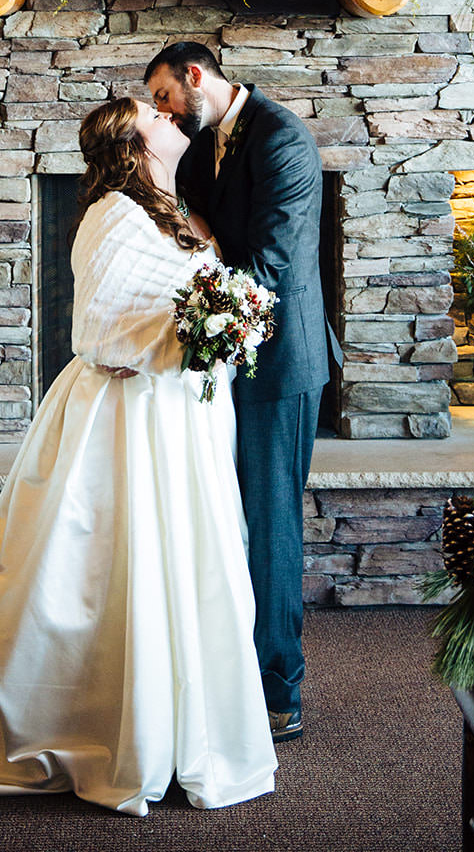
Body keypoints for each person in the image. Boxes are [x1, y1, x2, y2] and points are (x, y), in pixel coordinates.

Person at [0, 95, 277, 816]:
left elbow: (176, 308)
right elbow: (99, 333)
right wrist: (197, 335)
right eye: (153, 113)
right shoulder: (113, 212)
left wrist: (224, 329)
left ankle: (184, 725)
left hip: (181, 419)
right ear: (128, 141)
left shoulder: (174, 210)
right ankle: (104, 725)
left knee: (189, 562)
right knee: (117, 564)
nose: (171, 115)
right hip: (126, 422)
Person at [146, 42, 333, 743]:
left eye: (164, 95)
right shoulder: (201, 147)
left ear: (195, 77)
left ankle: (279, 692)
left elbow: (269, 266)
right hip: (224, 357)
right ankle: (225, 674)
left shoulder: (282, 139)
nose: (162, 110)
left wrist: (194, 273)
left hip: (280, 363)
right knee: (229, 522)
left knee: (271, 525)